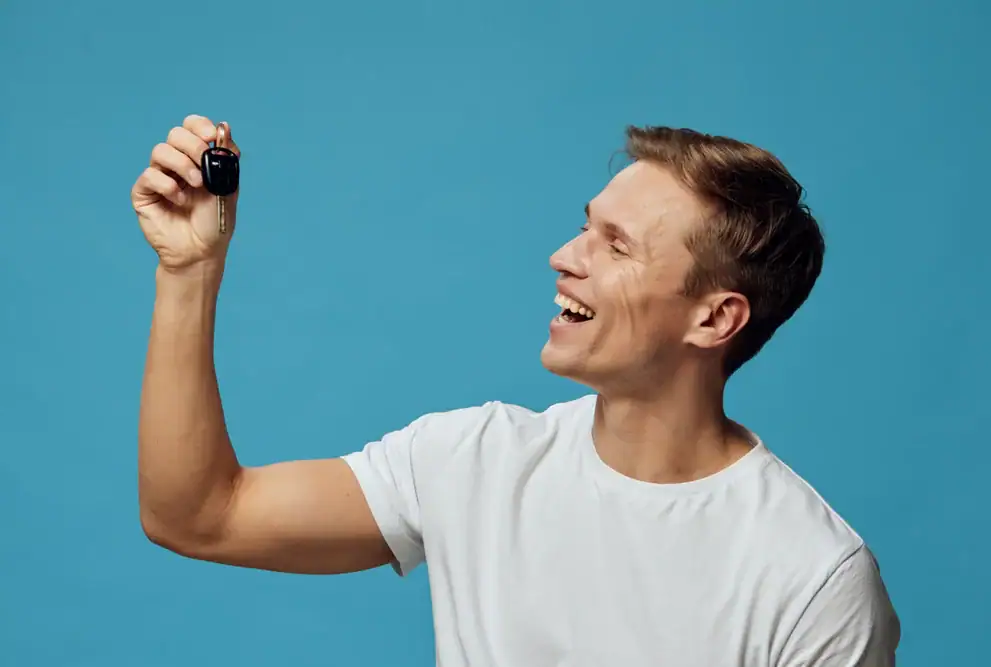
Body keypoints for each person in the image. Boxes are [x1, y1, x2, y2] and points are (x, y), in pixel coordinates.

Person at [131, 114, 900, 666]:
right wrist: (189, 271)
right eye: (586, 226)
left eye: (616, 245)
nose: (565, 256)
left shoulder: (811, 577)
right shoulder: (472, 460)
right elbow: (198, 514)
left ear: (714, 316)